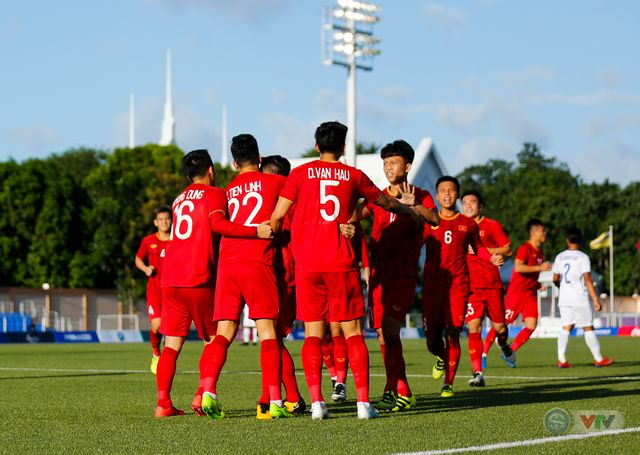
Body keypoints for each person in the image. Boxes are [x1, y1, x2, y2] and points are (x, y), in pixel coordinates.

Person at [270, 121, 424, 420]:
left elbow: (278, 216)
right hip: (341, 263)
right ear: (343, 147)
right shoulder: (353, 175)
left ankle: (316, 403)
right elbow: (386, 203)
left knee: (313, 334)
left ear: (316, 146)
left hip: (308, 266)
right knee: (353, 333)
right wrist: (409, 210)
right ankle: (363, 404)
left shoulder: (300, 174)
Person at [155, 149, 272, 418]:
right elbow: (219, 225)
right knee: (214, 340)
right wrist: (255, 231)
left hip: (170, 278)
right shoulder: (217, 194)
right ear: (211, 171)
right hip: (197, 276)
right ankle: (201, 394)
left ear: (187, 175)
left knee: (171, 344)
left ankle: (163, 403)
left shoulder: (177, 199)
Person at [201, 134, 291, 420]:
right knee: (268, 333)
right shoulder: (277, 182)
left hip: (228, 265)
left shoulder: (226, 191)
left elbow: (218, 224)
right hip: (257, 261)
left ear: (233, 162)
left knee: (224, 334)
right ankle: (274, 401)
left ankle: (208, 391)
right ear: (260, 157)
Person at [356, 139, 439, 411]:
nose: (388, 168)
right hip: (378, 275)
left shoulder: (421, 194)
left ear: (407, 166)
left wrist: (414, 205)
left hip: (402, 274)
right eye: (385, 163)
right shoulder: (380, 196)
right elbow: (361, 213)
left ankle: (405, 391)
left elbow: (435, 220)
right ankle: (391, 388)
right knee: (382, 335)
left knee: (390, 331)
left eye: (393, 162)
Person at [423, 176, 497, 398]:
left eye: (451, 190)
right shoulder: (428, 221)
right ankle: (440, 356)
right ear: (436, 195)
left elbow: (479, 249)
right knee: (432, 340)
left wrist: (491, 257)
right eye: (443, 190)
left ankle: (448, 383)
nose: (447, 194)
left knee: (453, 332)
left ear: (457, 195)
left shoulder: (467, 223)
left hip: (458, 286)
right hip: (432, 287)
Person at [255, 154, 306, 418]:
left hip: (281, 277)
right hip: (283, 276)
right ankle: (291, 398)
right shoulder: (296, 202)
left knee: (271, 340)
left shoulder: (281, 205)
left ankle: (275, 398)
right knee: (273, 340)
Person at [460, 191, 514, 386]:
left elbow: (507, 248)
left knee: (500, 327)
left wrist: (487, 251)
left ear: (480, 206)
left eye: (472, 202)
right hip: (471, 287)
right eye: (464, 203)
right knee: (473, 326)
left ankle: (503, 345)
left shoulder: (491, 225)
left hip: (492, 285)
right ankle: (478, 373)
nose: (468, 206)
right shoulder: (459, 226)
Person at [483, 219, 552, 367]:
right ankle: (483, 353)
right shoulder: (524, 248)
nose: (545, 233)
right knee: (500, 324)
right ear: (534, 232)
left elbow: (531, 273)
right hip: (517, 294)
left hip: (530, 295)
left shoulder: (540, 252)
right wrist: (540, 268)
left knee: (531, 325)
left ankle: (510, 352)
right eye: (542, 231)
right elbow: (519, 268)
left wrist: (537, 284)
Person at [552, 227, 614, 368]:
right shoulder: (583, 257)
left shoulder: (559, 256)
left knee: (566, 328)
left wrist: (561, 287)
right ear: (580, 241)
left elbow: (555, 278)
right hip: (579, 298)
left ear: (567, 241)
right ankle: (598, 359)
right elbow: (587, 278)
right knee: (588, 327)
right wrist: (596, 299)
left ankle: (561, 360)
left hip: (565, 298)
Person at [135, 205, 171, 374]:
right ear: (155, 222)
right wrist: (145, 269)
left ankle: (166, 359)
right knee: (157, 326)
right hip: (155, 291)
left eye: (167, 219)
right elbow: (138, 259)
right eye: (161, 219)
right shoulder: (148, 241)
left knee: (169, 329)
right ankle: (156, 354)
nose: (165, 222)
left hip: (173, 290)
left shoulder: (178, 239)